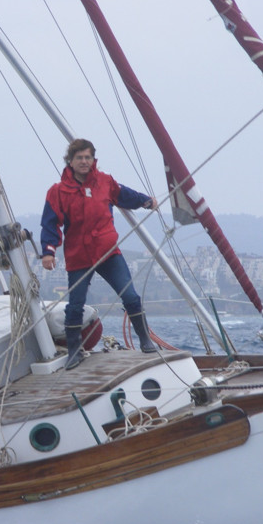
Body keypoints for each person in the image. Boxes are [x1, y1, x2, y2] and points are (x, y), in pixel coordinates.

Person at [41, 138, 158, 369]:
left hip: (108, 253)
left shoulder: (105, 182)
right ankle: (74, 351)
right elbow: (50, 223)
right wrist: (48, 252)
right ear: (70, 161)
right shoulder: (58, 191)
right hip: (79, 257)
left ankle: (145, 339)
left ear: (94, 160)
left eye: (88, 158)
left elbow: (126, 195)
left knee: (131, 297)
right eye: (79, 158)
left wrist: (146, 201)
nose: (84, 162)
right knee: (75, 306)